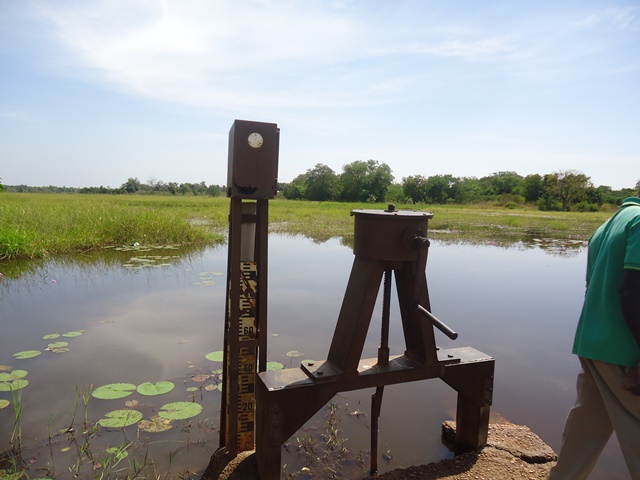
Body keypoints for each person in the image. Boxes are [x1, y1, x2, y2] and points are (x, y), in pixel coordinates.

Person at [548, 195, 640, 479]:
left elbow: (591, 289)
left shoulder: (609, 224)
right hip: (624, 351)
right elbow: (632, 290)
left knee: (585, 430)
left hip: (593, 343)